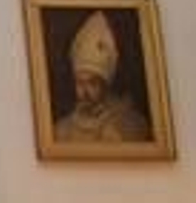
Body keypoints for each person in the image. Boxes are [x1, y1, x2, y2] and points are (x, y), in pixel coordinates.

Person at [52, 11, 152, 143]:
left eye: (92, 83)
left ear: (105, 85)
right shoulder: (62, 128)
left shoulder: (128, 123)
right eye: (79, 83)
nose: (85, 92)